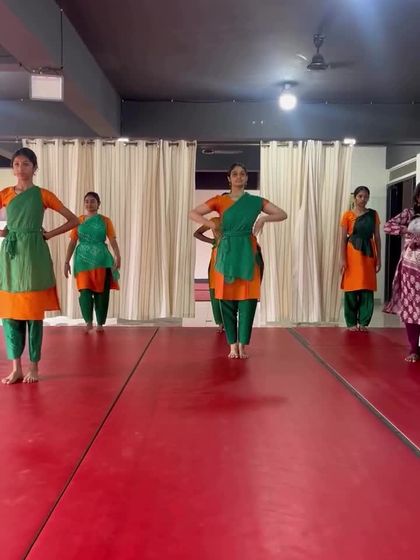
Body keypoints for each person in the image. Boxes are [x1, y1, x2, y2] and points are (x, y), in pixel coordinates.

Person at [189, 163, 287, 359]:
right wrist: (210, 224)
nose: (239, 177)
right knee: (226, 300)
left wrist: (263, 219)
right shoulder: (219, 200)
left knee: (248, 300)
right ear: (229, 178)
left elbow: (282, 214)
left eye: (242, 174)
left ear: (247, 178)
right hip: (226, 251)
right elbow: (192, 213)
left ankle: (243, 345)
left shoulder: (256, 201)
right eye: (234, 174)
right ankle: (232, 345)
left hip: (248, 251)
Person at [0, 147, 79, 384]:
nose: (20, 168)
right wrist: (4, 231)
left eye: (26, 164)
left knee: (33, 313)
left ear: (35, 168)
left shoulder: (43, 195)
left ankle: (33, 366)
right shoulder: (5, 193)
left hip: (34, 255)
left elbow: (73, 219)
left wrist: (49, 234)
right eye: (16, 164)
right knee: (10, 313)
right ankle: (16, 368)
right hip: (11, 257)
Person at [64, 192, 121, 332]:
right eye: (87, 201)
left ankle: (100, 323)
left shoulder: (105, 221)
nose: (89, 204)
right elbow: (72, 242)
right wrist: (66, 262)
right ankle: (88, 322)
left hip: (101, 260)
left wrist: (118, 256)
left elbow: (112, 240)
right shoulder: (78, 220)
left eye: (93, 201)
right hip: (82, 261)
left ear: (98, 204)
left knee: (102, 293)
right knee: (84, 292)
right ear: (84, 204)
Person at [384, 183, 420, 362]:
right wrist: (405, 230)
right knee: (412, 309)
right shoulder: (409, 214)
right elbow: (387, 226)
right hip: (410, 271)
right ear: (418, 198)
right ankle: (414, 349)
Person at [340, 186, 381, 331]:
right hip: (352, 253)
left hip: (369, 253)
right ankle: (351, 322)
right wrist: (342, 259)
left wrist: (379, 258)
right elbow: (342, 239)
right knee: (351, 288)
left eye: (366, 196)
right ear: (355, 197)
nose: (363, 199)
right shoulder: (347, 215)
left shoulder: (373, 214)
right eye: (360, 196)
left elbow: (377, 237)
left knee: (367, 288)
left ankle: (363, 322)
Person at [194, 215, 224, 332]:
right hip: (218, 256)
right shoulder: (214, 221)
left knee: (231, 288)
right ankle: (220, 322)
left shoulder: (236, 220)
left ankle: (230, 322)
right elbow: (197, 233)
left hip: (232, 255)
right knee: (216, 288)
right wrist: (213, 241)